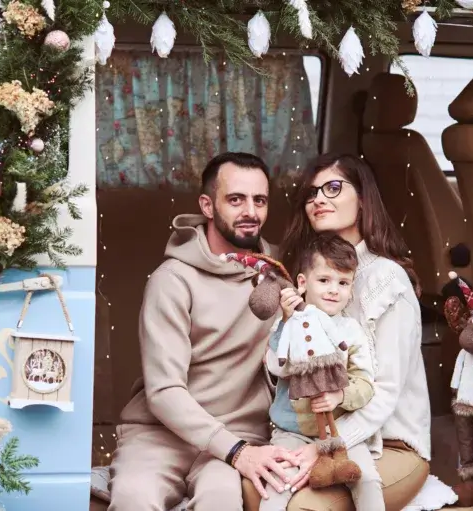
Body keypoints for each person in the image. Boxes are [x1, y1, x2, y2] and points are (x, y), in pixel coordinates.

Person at [107, 152, 299, 511]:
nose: (250, 212)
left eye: (259, 200)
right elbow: (164, 391)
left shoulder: (279, 274)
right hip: (160, 436)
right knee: (134, 499)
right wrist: (236, 451)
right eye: (236, 199)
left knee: (221, 501)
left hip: (239, 434)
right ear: (207, 206)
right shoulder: (172, 280)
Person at [274, 152, 432, 510]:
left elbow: (385, 393)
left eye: (332, 187)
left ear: (362, 199)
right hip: (313, 433)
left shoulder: (388, 280)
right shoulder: (305, 274)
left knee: (304, 508)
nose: (318, 199)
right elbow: (283, 370)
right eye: (311, 193)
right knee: (259, 489)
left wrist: (325, 447)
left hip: (390, 444)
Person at [262, 233, 382, 511]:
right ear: (302, 283)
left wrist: (340, 395)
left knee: (367, 479)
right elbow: (276, 367)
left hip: (338, 431)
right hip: (291, 431)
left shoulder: (351, 331)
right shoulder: (286, 325)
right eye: (324, 280)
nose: (333, 290)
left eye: (343, 283)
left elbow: (365, 383)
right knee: (278, 486)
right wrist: (286, 322)